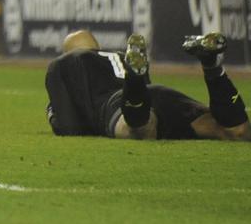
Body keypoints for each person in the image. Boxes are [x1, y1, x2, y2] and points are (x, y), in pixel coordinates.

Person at [46, 30, 249, 142]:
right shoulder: (119, 56)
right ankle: (212, 65)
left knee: (140, 130)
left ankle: (134, 79)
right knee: (236, 131)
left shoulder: (62, 64)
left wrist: (53, 116)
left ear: (66, 52)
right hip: (156, 95)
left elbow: (69, 127)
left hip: (120, 107)